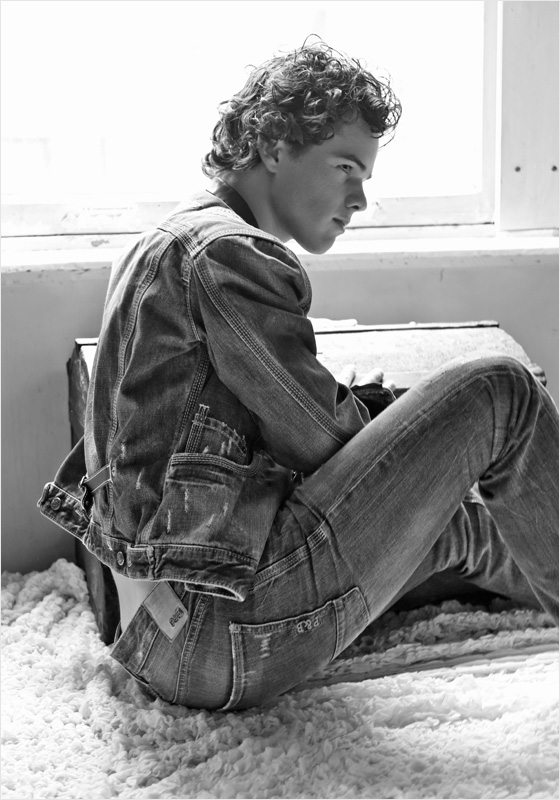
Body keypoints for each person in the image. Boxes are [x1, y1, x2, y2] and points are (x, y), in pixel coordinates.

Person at [39, 40, 559, 711]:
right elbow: (323, 442)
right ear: (274, 146)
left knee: (455, 528)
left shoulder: (166, 240)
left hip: (164, 637)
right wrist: (407, 433)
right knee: (501, 390)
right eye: (345, 168)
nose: (360, 198)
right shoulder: (225, 254)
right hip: (215, 629)